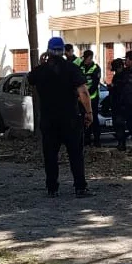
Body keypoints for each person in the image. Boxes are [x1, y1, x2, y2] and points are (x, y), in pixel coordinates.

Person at [27, 37, 94, 198]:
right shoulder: (72, 69)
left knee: (50, 155)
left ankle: (52, 188)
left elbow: (31, 79)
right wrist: (89, 113)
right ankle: (80, 187)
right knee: (76, 154)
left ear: (48, 51)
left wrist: (42, 62)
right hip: (70, 119)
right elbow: (83, 92)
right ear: (63, 51)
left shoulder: (40, 71)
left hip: (49, 120)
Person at [75, 49, 101, 148]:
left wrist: (86, 95)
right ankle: (86, 140)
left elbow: (95, 84)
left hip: (93, 98)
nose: (85, 60)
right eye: (84, 58)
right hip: (81, 98)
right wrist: (80, 96)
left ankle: (97, 141)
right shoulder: (80, 66)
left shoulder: (95, 68)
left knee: (93, 119)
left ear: (90, 58)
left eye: (87, 58)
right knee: (83, 119)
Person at [108, 58, 127, 151]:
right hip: (116, 104)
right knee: (117, 125)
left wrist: (114, 87)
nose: (115, 71)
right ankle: (120, 143)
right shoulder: (117, 76)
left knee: (120, 124)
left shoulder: (124, 76)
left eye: (116, 69)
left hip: (122, 104)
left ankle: (122, 143)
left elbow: (122, 89)